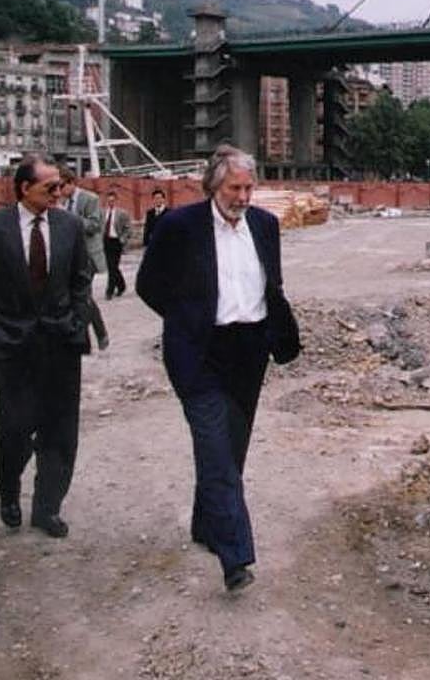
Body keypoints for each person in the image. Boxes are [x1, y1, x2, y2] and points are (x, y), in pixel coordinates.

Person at [136, 144, 300, 593]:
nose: (244, 196)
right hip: (199, 353)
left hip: (249, 352)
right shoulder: (178, 226)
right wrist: (185, 319)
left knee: (230, 450)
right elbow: (148, 285)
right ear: (213, 186)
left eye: (249, 187)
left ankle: (204, 524)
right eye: (235, 187)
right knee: (215, 449)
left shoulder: (265, 226)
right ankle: (234, 556)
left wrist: (274, 335)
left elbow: (272, 282)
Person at [0, 154, 91, 539]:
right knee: (14, 429)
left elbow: (81, 281)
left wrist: (75, 323)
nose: (59, 192)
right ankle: (9, 495)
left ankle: (47, 507)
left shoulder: (70, 226)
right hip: (11, 349)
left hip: (60, 347)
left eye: (60, 186)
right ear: (24, 188)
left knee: (60, 431)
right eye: (49, 187)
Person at [59, 166, 108, 350]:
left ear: (71, 183)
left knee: (83, 295)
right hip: (69, 256)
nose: (59, 190)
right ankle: (94, 334)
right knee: (78, 296)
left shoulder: (90, 199)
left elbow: (95, 225)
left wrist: (69, 218)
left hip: (88, 256)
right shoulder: (61, 202)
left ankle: (93, 335)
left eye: (62, 185)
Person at [101, 189, 132, 299]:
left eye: (113, 200)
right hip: (106, 241)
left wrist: (122, 239)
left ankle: (109, 291)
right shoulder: (103, 212)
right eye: (109, 201)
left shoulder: (122, 213)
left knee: (113, 266)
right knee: (112, 267)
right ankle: (121, 285)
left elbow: (128, 228)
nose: (110, 202)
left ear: (116, 201)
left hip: (116, 242)